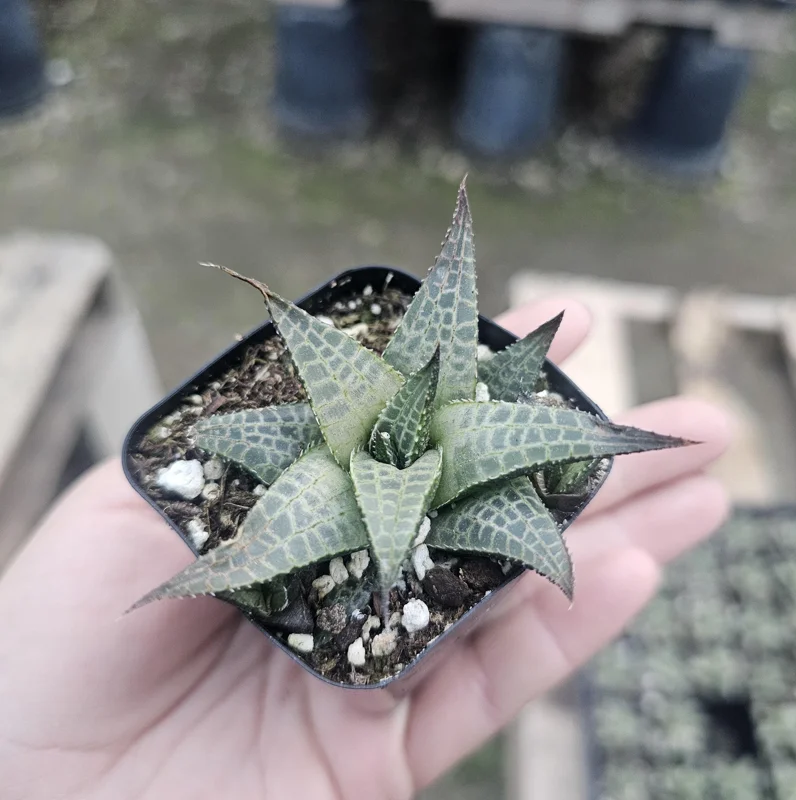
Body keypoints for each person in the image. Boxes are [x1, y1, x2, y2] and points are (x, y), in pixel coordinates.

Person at [0, 297, 732, 799]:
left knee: (579, 444)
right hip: (336, 483)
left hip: (439, 474)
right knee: (243, 444)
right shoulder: (327, 463)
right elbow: (254, 442)